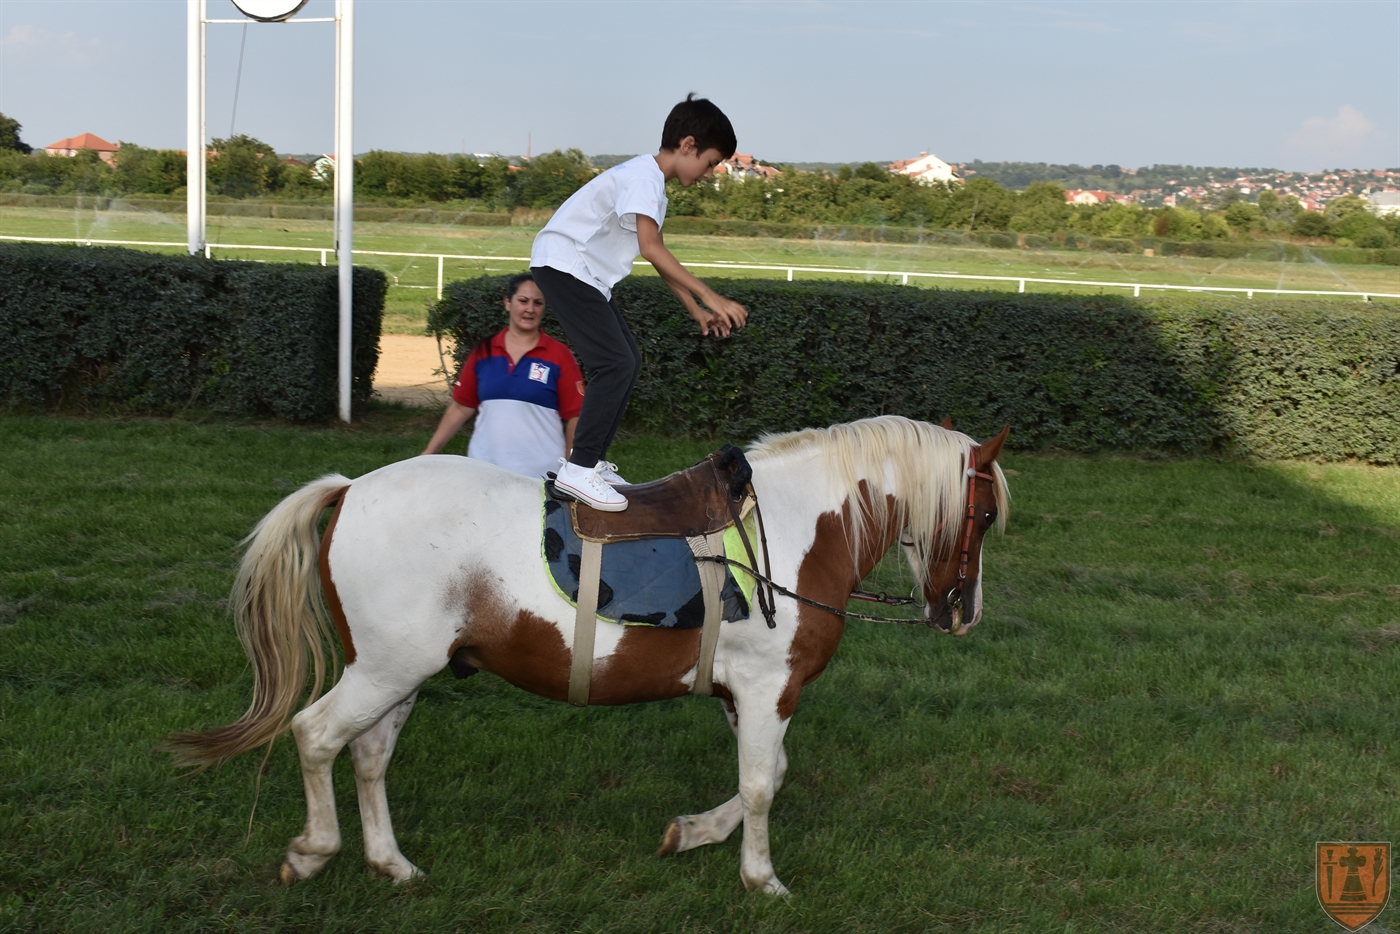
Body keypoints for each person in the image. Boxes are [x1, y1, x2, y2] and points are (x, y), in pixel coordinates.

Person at [529, 94, 748, 512]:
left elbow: (657, 254)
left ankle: (590, 465)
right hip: (563, 264)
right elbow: (651, 249)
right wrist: (711, 296)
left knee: (628, 360)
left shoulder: (651, 184)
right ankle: (579, 470)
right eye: (710, 163)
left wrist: (696, 311)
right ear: (688, 145)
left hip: (580, 272)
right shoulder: (644, 179)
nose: (709, 174)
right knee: (615, 363)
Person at [422, 273, 584, 479]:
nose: (530, 309)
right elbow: (461, 407)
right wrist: (428, 454)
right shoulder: (483, 351)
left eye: (538, 303)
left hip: (540, 476)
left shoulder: (560, 355)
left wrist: (573, 471)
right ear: (508, 302)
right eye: (523, 301)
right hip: (483, 471)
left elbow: (576, 417)